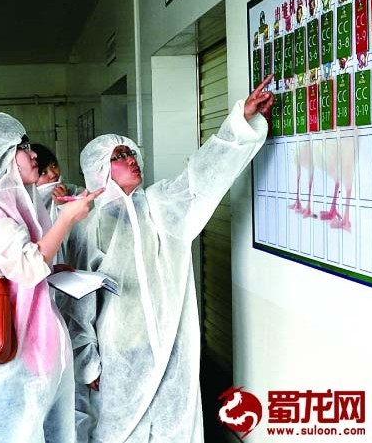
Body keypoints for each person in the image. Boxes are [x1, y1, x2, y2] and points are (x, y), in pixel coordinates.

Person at [66, 75, 274, 443]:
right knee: (118, 433)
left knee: (173, 427)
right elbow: (76, 302)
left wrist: (239, 123)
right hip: (119, 355)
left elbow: (201, 178)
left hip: (170, 346)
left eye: (130, 153)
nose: (130, 159)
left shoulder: (160, 205)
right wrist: (88, 363)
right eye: (118, 157)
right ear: (100, 170)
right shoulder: (88, 225)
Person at [0, 113, 101, 443]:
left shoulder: (17, 201)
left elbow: (21, 269)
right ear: (0, 156)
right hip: (4, 360)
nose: (33, 155)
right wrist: (67, 219)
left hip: (34, 352)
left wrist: (53, 271)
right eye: (23, 147)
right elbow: (29, 264)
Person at [32, 143, 84, 265]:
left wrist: (64, 206)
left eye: (54, 165)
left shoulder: (75, 192)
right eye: (43, 172)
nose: (53, 174)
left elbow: (81, 238)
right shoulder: (25, 206)